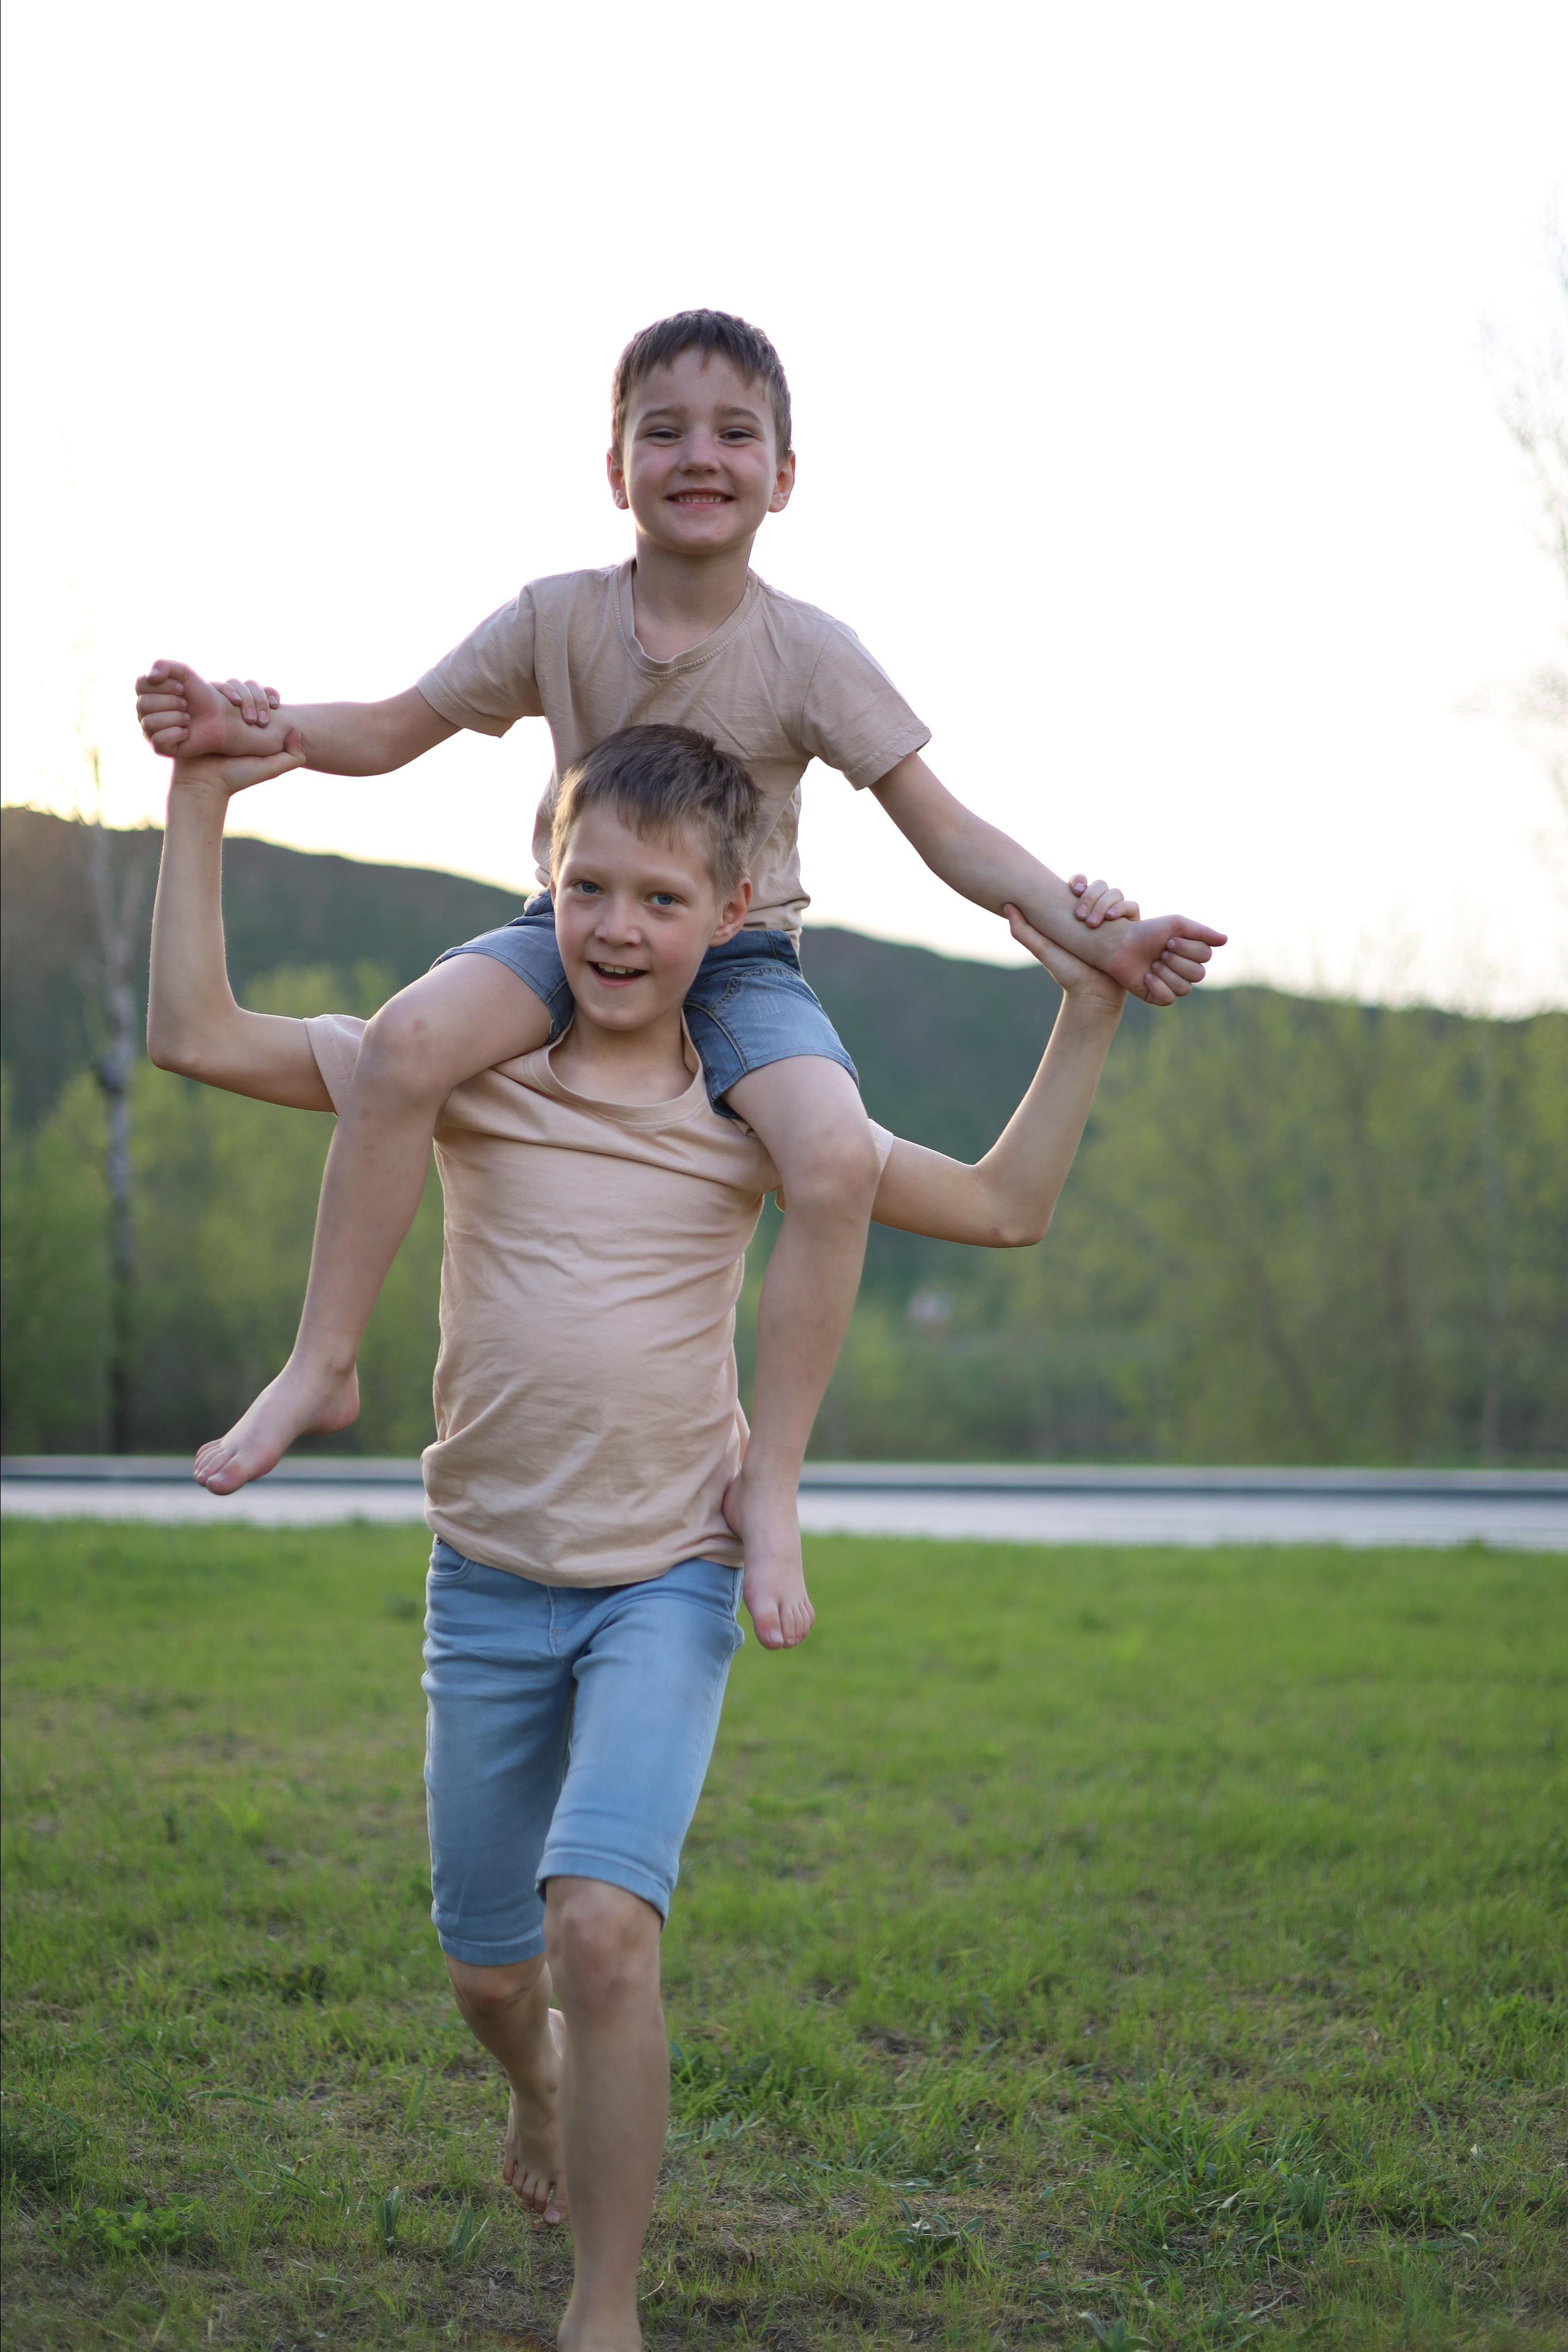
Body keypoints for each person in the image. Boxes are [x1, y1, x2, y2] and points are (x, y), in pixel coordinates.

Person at [147, 720, 1133, 2352]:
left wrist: (1084, 1008)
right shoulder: (460, 1071)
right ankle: (531, 2088)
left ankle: (601, 2309)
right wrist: (199, 801)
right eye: (587, 888)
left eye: (661, 900)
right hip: (485, 1582)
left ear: (732, 917)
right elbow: (192, 1031)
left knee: (601, 1934)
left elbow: (1003, 1205)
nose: (616, 929)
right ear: (543, 886)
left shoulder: (759, 1115)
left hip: (665, 1582)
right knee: (488, 1975)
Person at [134, 307, 1226, 1651]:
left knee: (830, 1152)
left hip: (743, 954)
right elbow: (393, 727)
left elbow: (943, 829)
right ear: (615, 469)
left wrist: (1089, 932)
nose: (698, 455)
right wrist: (255, 732)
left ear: (784, 475)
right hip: (569, 923)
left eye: (733, 433)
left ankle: (770, 1485)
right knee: (409, 1040)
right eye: (664, 431)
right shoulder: (556, 617)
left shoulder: (808, 652)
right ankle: (325, 1361)